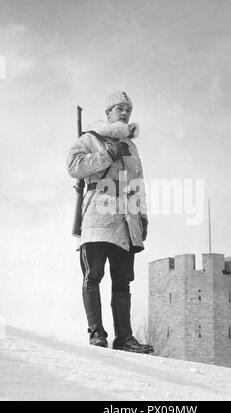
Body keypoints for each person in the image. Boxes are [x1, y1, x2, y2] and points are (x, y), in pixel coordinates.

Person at [67, 91, 153, 354]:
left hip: (126, 219)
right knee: (92, 275)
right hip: (96, 215)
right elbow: (73, 165)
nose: (125, 112)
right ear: (108, 113)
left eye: (128, 108)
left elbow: (138, 183)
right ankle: (97, 333)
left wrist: (143, 215)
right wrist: (107, 155)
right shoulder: (91, 138)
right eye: (119, 108)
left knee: (122, 281)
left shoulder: (132, 146)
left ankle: (124, 338)